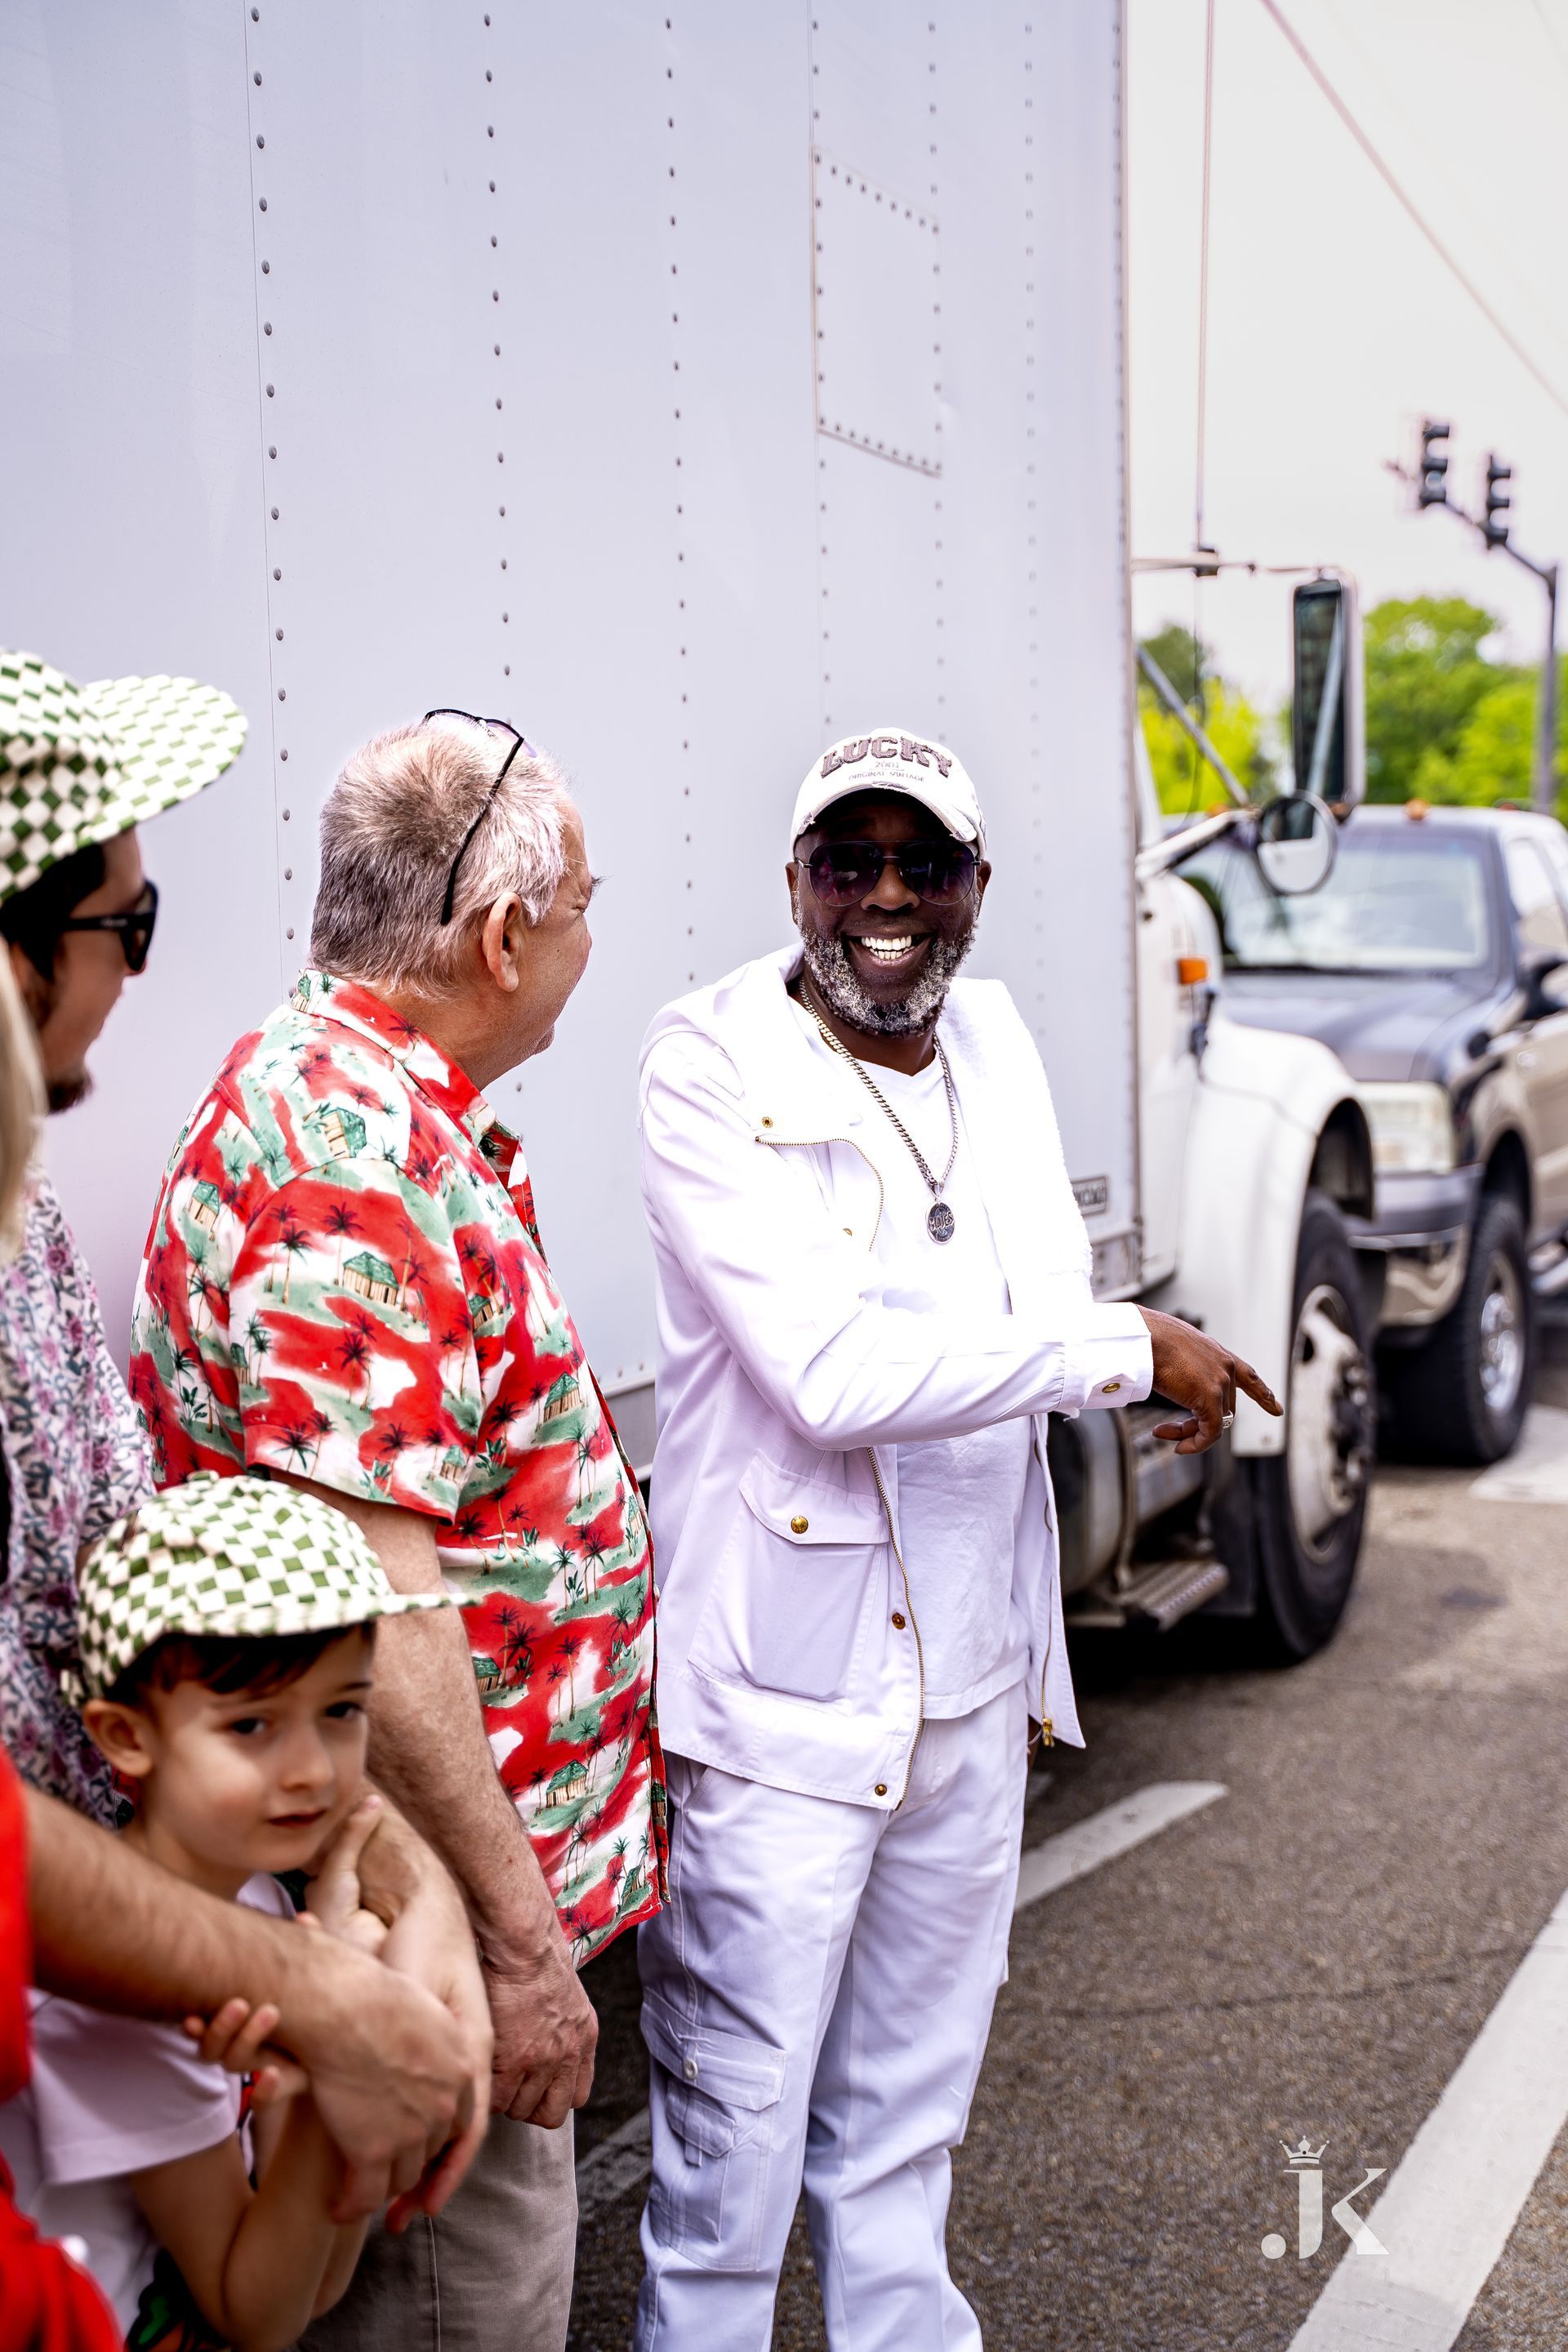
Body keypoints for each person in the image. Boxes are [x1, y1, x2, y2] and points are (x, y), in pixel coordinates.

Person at [633, 728, 1281, 2348]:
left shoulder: (990, 1038)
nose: (887, 899)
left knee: (907, 2143)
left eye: (926, 863)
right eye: (846, 863)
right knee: (729, 2165)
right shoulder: (707, 1059)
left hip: (972, 1681)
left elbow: (1042, 1304)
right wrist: (1126, 1353)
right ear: (794, 882)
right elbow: (834, 1374)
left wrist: (1135, 1351)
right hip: (783, 1707)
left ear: (979, 885)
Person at [131, 710, 665, 2352]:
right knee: (462, 2311)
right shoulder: (351, 1161)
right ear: (504, 938)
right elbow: (378, 1607)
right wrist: (515, 1951)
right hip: (421, 1925)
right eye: (579, 905)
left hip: (432, 1896)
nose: (587, 937)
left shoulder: (368, 1109)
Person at [0, 652, 491, 2171]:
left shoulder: (18, 1231)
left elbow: (149, 1595)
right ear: (21, 961)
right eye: (126, 926)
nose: (135, 971)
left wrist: (402, 1877)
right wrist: (315, 1989)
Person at [1, 1471, 458, 2350]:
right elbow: (256, 2314)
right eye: (252, 1725)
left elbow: (318, 2284)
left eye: (341, 1710)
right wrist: (339, 2052)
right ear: (125, 1737)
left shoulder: (248, 1901)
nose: (313, 1770)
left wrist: (326, 1988)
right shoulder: (122, 2003)